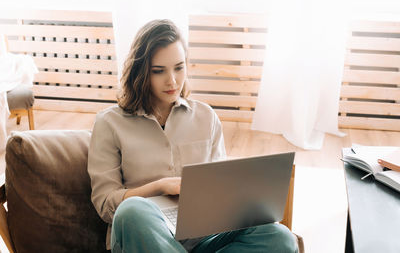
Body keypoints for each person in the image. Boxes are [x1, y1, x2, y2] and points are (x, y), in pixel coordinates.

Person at [88, 19, 298, 253]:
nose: (172, 81)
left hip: (202, 240)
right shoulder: (109, 123)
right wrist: (161, 186)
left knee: (279, 236)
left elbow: (221, 193)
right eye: (159, 71)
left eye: (179, 67)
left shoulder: (206, 117)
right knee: (132, 211)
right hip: (144, 237)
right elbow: (105, 204)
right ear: (140, 72)